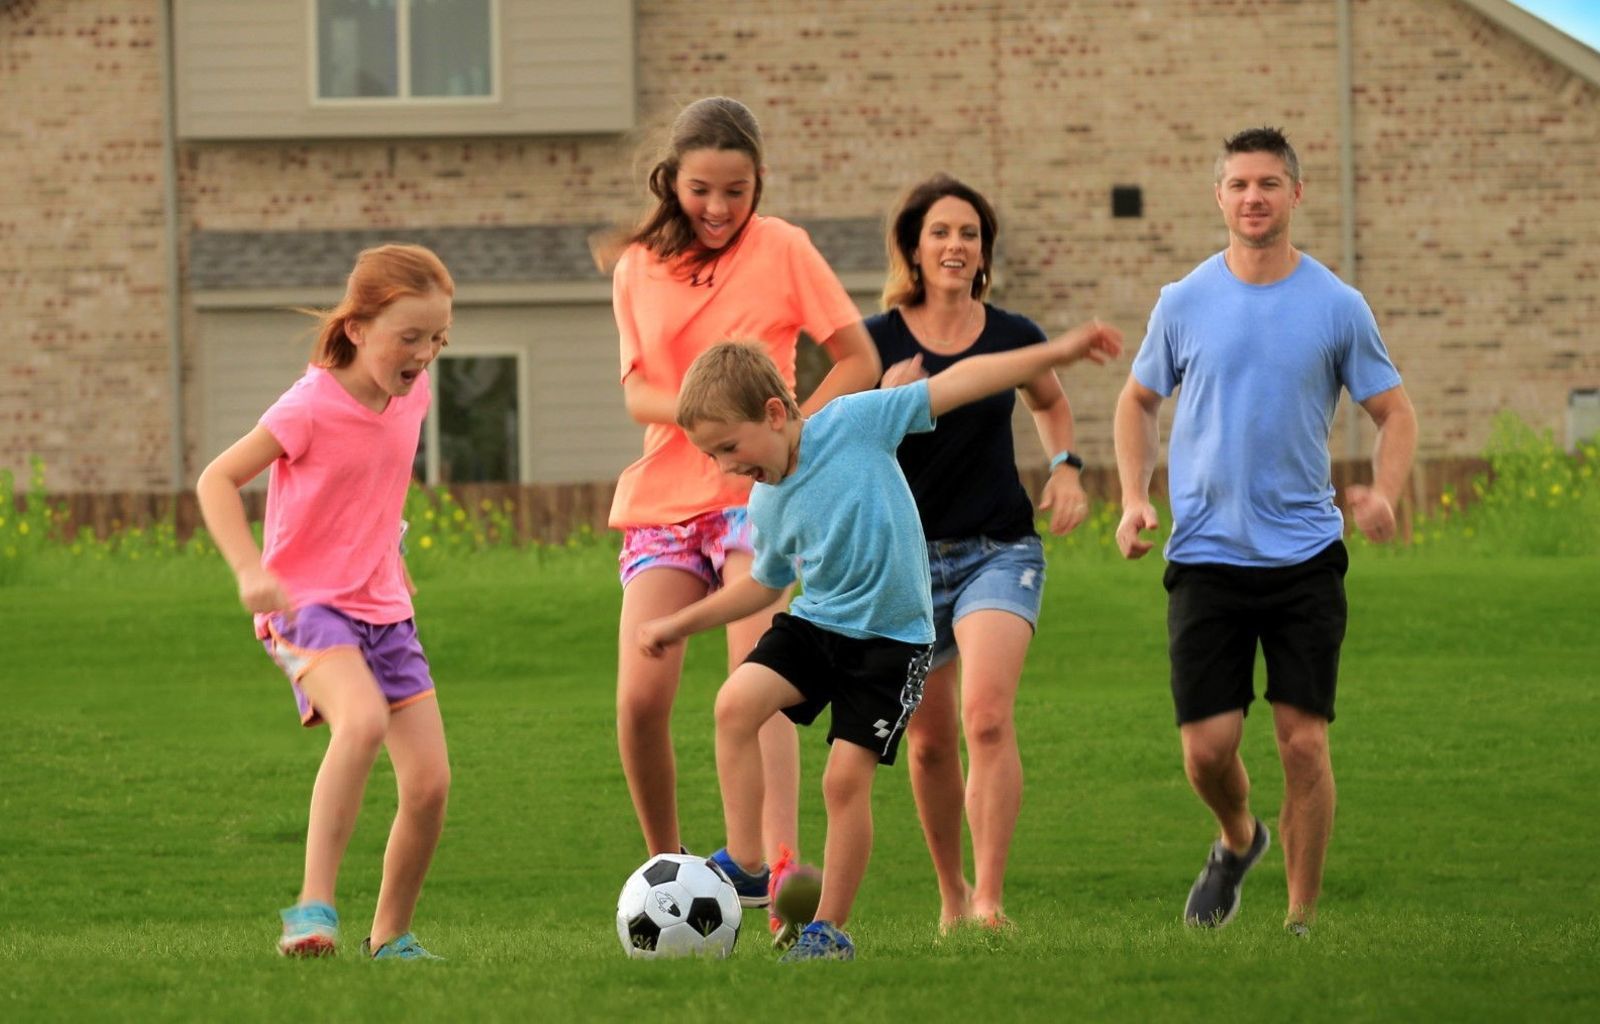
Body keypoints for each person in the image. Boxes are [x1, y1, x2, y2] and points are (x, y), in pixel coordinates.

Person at [638, 324, 1121, 961]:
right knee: (734, 705)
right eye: (713, 457)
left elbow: (961, 382)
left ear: (776, 413)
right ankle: (749, 862)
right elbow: (764, 585)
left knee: (843, 782)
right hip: (818, 626)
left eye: (729, 447)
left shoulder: (855, 422)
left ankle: (827, 930)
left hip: (892, 644)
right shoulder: (766, 500)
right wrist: (678, 624)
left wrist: (1055, 354)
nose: (727, 467)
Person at [1113, 127, 1417, 936]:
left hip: (1305, 558)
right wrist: (1135, 497)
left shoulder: (1336, 306)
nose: (1254, 197)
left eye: (1270, 183)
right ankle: (1239, 838)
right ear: (1219, 196)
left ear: (1295, 195)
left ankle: (1300, 918)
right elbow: (1137, 401)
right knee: (1207, 751)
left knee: (1302, 745)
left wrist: (1383, 494)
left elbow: (1395, 412)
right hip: (1206, 554)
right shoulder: (1183, 302)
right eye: (1240, 184)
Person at [603, 96, 881, 924]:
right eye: (702, 190)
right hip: (661, 501)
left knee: (755, 678)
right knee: (640, 698)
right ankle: (667, 864)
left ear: (758, 181)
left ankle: (775, 868)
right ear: (672, 182)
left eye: (738, 190)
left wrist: (796, 441)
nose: (720, 209)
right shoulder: (635, 268)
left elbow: (859, 358)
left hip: (754, 501)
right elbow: (639, 392)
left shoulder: (786, 247)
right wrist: (698, 417)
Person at [196, 244, 455, 961]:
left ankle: (392, 937)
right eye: (410, 337)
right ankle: (313, 909)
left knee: (431, 784)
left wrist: (388, 548)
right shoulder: (308, 405)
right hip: (305, 605)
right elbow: (217, 480)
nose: (424, 354)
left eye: (437, 338)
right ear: (356, 328)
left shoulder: (414, 394)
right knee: (362, 720)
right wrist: (249, 569)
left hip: (386, 610)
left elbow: (373, 484)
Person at [867, 174, 1091, 932]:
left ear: (984, 251)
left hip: (1000, 546)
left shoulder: (1014, 335)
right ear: (914, 249)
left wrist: (1065, 468)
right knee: (928, 745)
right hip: (904, 559)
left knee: (988, 717)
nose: (956, 245)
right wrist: (883, 408)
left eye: (969, 233)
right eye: (941, 233)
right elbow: (829, 443)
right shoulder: (877, 341)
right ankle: (952, 895)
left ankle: (991, 900)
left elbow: (1050, 402)